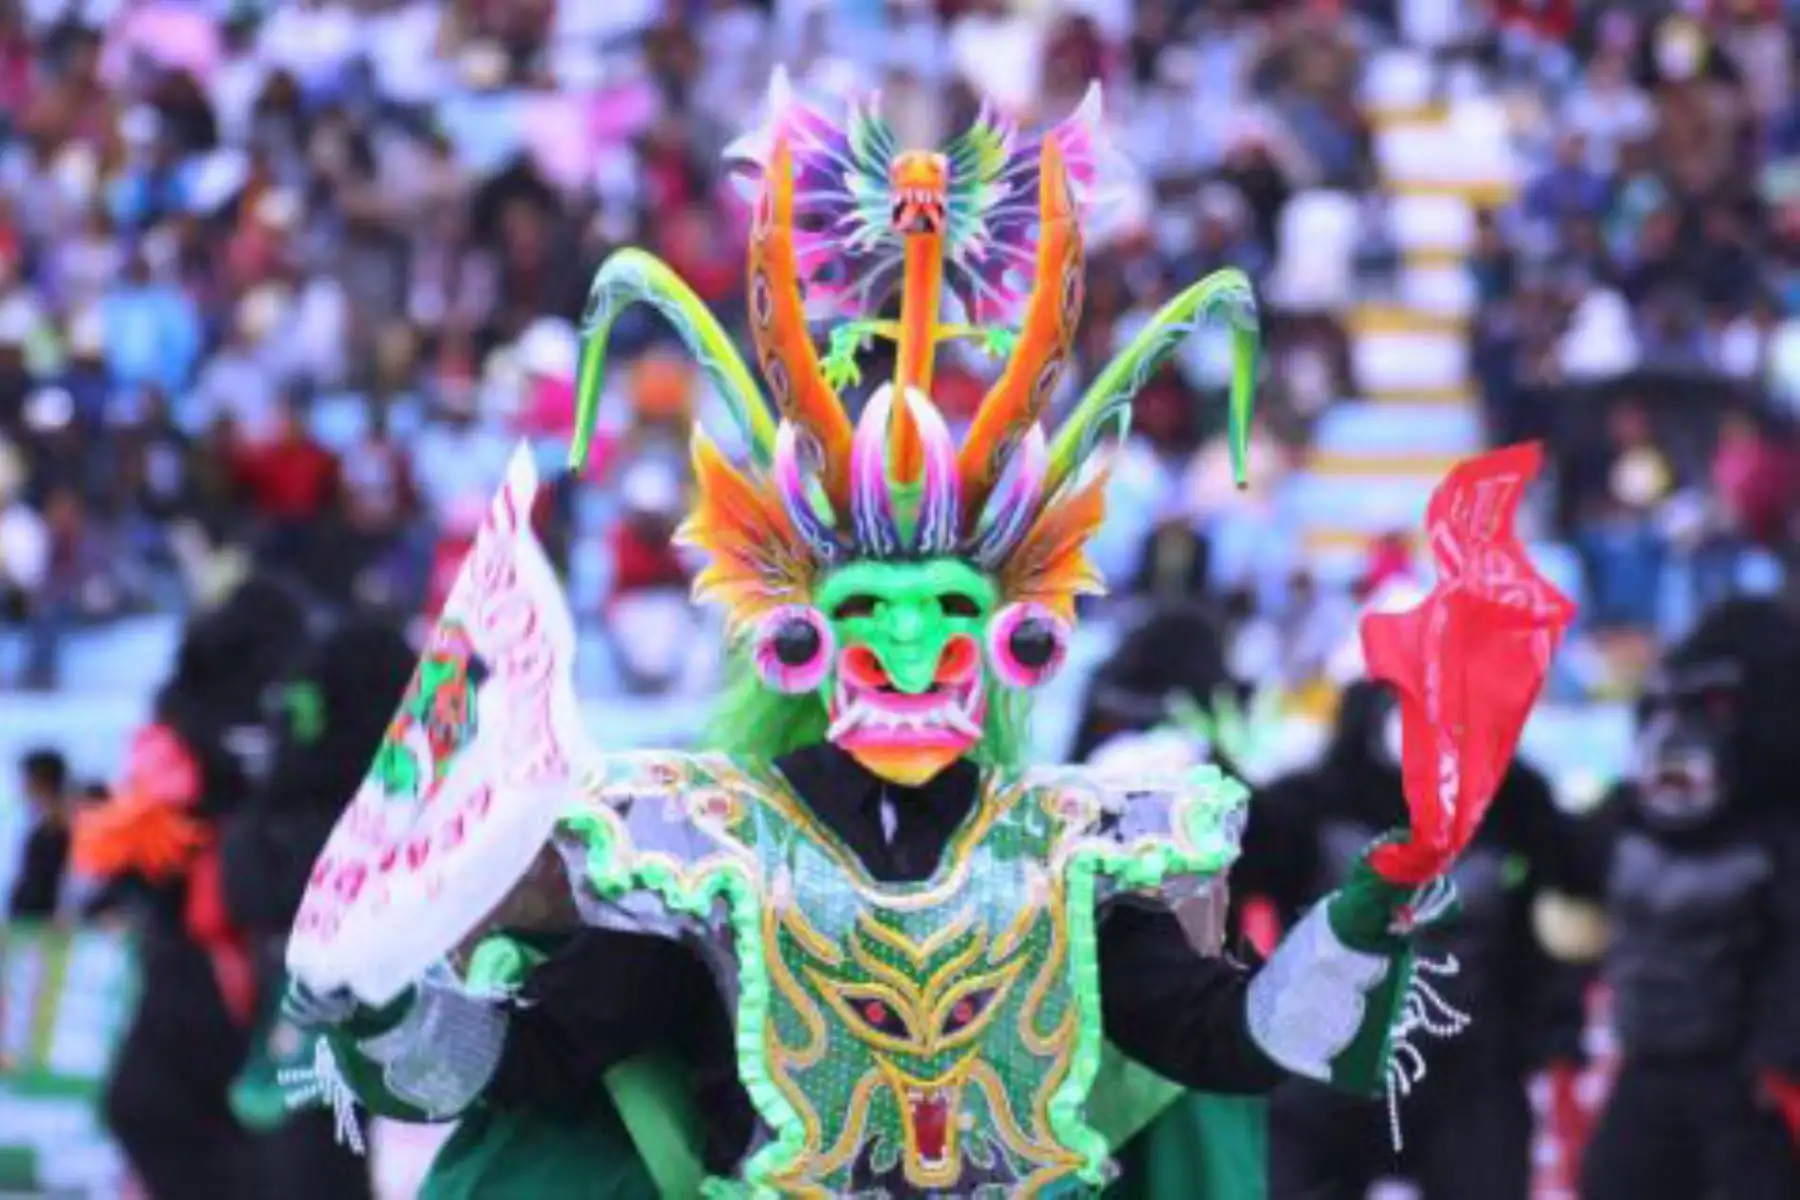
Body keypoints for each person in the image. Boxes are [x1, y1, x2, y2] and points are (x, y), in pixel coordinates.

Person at [280, 75, 1572, 1198]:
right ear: (799, 641)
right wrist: (383, 1009)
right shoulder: (707, 852)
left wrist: (1376, 899)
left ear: (1014, 638)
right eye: (870, 618)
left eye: (950, 612)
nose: (910, 650)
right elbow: (537, 1057)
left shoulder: (1079, 849)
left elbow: (1224, 1041)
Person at [1238, 681, 1588, 1200]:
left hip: (1469, 1070)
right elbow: (1234, 874)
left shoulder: (1516, 807)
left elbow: (1568, 914)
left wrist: (1553, 1031)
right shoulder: (1314, 802)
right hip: (1327, 1067)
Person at [70, 577, 310, 1199]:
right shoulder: (286, 719)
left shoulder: (181, 724)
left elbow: (128, 850)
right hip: (245, 956)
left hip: (198, 953)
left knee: (156, 1107)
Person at [1567, 599, 1800, 1200]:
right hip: (1649, 1063)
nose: (1682, 730)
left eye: (1710, 707)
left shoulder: (1781, 837)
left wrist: (1777, 1057)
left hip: (1747, 1081)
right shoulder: (1630, 818)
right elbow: (1563, 864)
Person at [7, 747, 71, 919]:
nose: (22, 789)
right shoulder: (42, 825)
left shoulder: (59, 826)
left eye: (26, 781)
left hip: (47, 924)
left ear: (40, 782)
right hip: (31, 920)